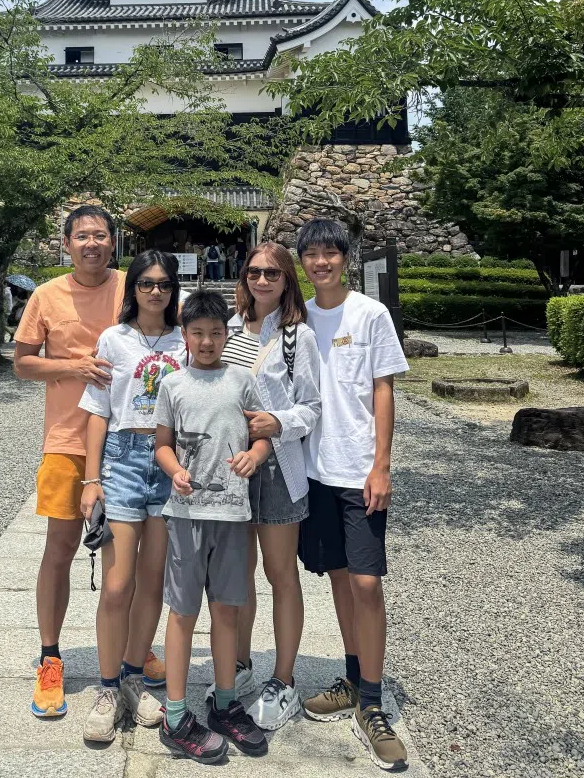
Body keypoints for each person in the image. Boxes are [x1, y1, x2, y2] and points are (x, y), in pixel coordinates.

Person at [15, 206, 163, 720]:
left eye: (100, 235)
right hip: (67, 440)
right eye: (82, 236)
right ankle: (51, 657)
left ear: (114, 241)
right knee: (59, 549)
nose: (92, 243)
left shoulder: (135, 285)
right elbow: (22, 362)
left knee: (136, 558)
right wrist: (72, 365)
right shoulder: (46, 295)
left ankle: (133, 650)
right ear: (67, 242)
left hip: (131, 445)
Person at [296, 219, 409, 772]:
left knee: (367, 581)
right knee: (339, 579)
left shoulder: (371, 314)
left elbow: (383, 387)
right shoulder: (297, 319)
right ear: (303, 263)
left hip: (359, 469)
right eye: (312, 255)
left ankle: (373, 697)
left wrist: (382, 465)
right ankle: (352, 674)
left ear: (346, 258)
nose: (321, 263)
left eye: (330, 254)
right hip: (314, 472)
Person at [154, 290, 271, 762]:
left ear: (228, 335)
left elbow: (260, 436)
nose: (206, 341)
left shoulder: (242, 380)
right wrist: (173, 470)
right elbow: (162, 444)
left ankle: (225, 703)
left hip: (232, 516)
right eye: (197, 333)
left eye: (215, 333)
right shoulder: (172, 385)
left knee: (227, 610)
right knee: (182, 614)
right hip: (184, 517)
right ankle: (176, 713)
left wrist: (254, 456)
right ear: (184, 335)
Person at [78, 251, 185, 743]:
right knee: (118, 585)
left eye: (164, 283)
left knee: (153, 580)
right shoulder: (114, 339)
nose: (155, 291)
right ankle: (106, 687)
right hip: (122, 457)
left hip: (169, 461)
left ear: (173, 288)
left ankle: (134, 677)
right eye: (146, 283)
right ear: (133, 288)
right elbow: (98, 409)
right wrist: (90, 478)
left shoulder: (187, 339)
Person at [218, 243, 321, 731]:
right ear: (244, 276)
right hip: (231, 464)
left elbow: (312, 406)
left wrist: (275, 422)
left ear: (287, 280)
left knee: (281, 574)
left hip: (278, 466)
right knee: (238, 570)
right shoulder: (228, 328)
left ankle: (283, 678)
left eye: (272, 274)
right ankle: (240, 663)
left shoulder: (297, 336)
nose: (262, 281)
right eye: (254, 272)